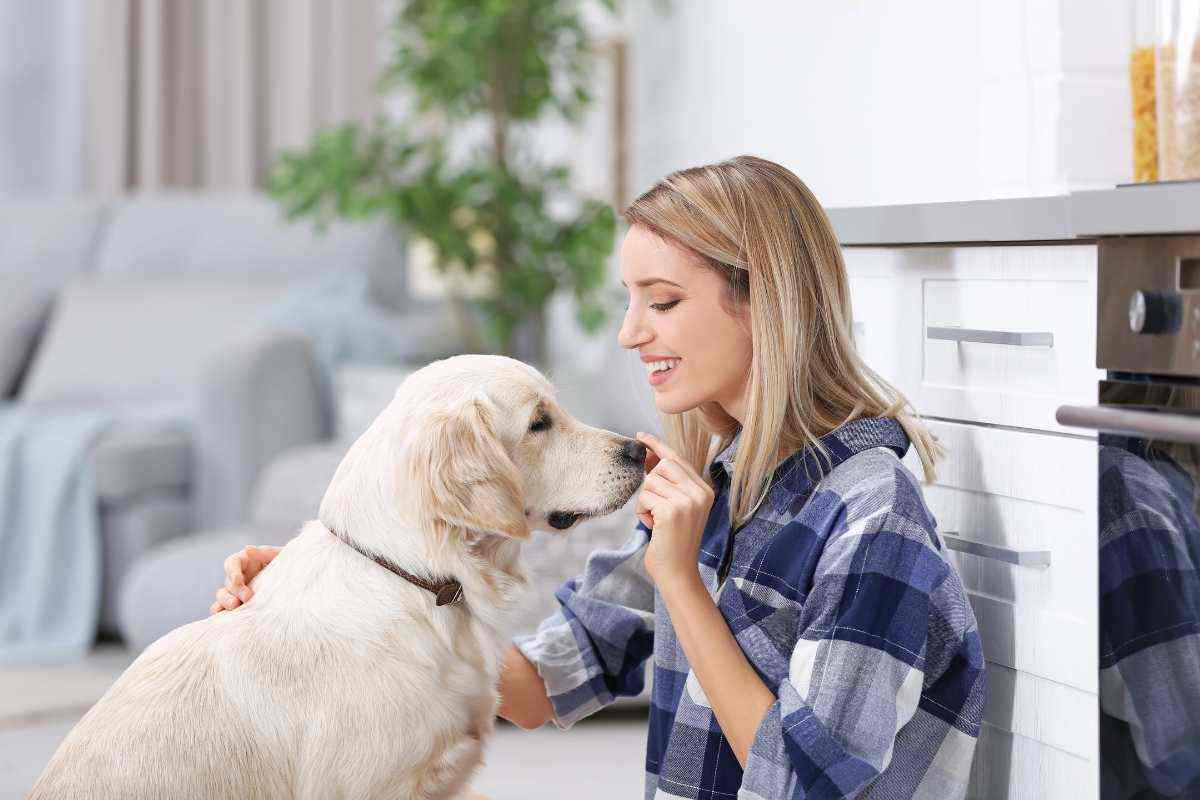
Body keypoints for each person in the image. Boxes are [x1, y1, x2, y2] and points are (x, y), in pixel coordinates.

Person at [211, 156, 986, 799]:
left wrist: (681, 583)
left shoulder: (873, 515)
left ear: (763, 304)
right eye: (630, 300)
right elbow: (541, 685)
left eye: (663, 301)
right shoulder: (710, 489)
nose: (629, 332)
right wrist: (342, 591)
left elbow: (807, 784)